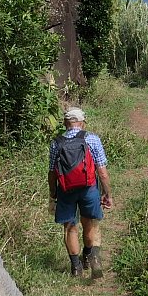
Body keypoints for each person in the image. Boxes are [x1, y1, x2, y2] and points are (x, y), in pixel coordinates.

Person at [49, 107, 113, 277]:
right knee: (89, 224)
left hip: (65, 190)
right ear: (82, 122)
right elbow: (102, 171)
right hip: (88, 188)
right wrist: (107, 194)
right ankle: (87, 255)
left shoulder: (56, 142)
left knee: (70, 227)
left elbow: (52, 172)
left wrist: (52, 194)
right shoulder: (92, 139)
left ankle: (75, 267)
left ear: (65, 123)